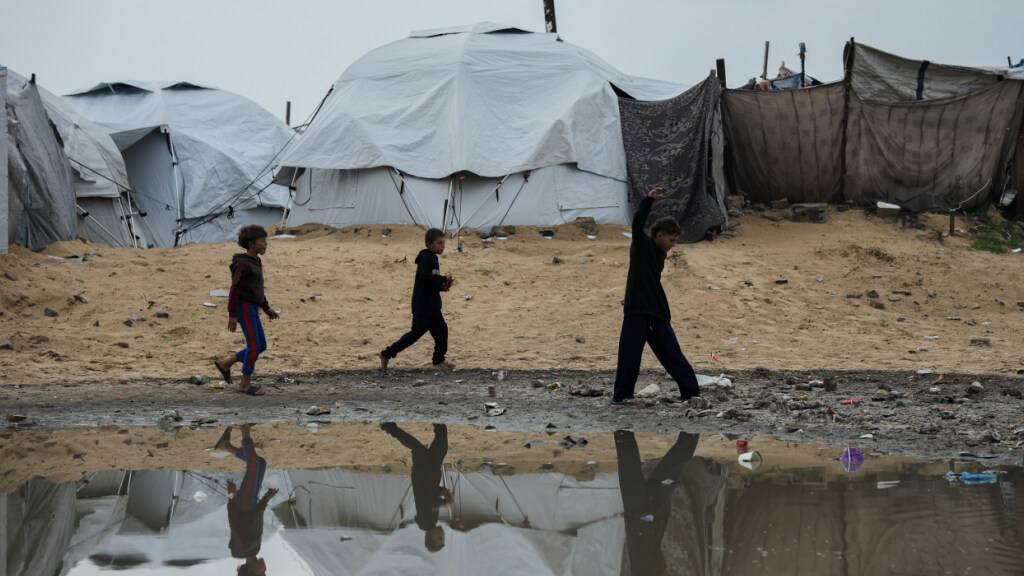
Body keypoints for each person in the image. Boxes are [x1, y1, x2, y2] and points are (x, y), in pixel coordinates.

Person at [612, 187, 700, 405]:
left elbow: (643, 279)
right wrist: (648, 200)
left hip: (654, 311)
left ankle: (691, 393)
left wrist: (631, 294)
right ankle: (622, 396)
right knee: (630, 354)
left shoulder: (659, 254)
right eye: (671, 240)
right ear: (659, 235)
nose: (672, 245)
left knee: (672, 354)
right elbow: (637, 224)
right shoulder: (643, 246)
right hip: (639, 310)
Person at [615, 429, 699, 576]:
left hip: (646, 516)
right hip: (645, 516)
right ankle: (623, 434)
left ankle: (690, 437)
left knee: (662, 472)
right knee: (632, 472)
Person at [214, 225, 279, 396]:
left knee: (261, 345)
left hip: (253, 307)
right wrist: (232, 314)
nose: (265, 244)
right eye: (262, 241)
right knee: (254, 347)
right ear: (251, 244)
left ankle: (226, 363)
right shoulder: (242, 264)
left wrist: (266, 308)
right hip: (243, 308)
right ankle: (244, 384)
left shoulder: (256, 261)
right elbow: (235, 289)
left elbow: (256, 289)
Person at [379, 228, 454, 372]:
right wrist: (443, 278)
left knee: (442, 332)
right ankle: (386, 354)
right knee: (414, 335)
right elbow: (425, 277)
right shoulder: (426, 257)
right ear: (429, 244)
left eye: (443, 243)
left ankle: (438, 360)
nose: (442, 246)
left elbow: (431, 282)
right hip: (423, 306)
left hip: (432, 306)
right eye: (439, 243)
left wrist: (443, 286)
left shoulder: (433, 258)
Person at [214, 425, 277, 576]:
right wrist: (266, 498)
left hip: (243, 505)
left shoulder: (240, 549)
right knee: (260, 464)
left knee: (254, 464)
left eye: (262, 573)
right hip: (252, 503)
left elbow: (233, 521)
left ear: (252, 571)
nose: (265, 570)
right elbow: (257, 517)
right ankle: (226, 446)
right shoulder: (255, 549)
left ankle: (245, 430)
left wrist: (232, 495)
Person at [380, 422, 452, 552]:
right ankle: (436, 421)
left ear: (431, 537)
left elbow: (429, 504)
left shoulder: (425, 524)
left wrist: (445, 502)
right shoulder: (431, 522)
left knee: (418, 447)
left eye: (440, 538)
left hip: (424, 472)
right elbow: (430, 494)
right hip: (431, 472)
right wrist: (443, 491)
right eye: (443, 538)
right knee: (440, 444)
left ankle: (389, 427)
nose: (442, 534)